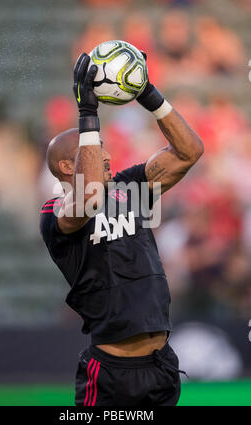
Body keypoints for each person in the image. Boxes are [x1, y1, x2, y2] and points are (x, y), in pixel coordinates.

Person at [40, 52, 204, 406]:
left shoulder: (129, 187)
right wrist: (88, 115)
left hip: (161, 365)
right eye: (98, 150)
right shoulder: (55, 212)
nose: (108, 156)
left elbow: (189, 151)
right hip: (111, 372)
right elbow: (89, 197)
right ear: (68, 165)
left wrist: (147, 93)